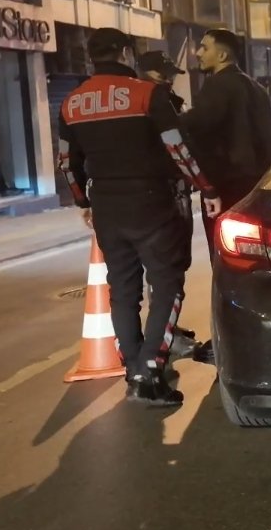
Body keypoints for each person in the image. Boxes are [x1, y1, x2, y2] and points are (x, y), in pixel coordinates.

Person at [57, 28, 223, 406]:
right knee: (167, 285)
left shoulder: (72, 103)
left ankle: (134, 371)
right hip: (151, 203)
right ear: (126, 53)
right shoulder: (146, 94)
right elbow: (177, 148)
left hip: (106, 205)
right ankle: (150, 372)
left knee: (123, 290)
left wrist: (83, 201)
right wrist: (207, 188)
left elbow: (66, 161)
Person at [182, 28, 271, 254]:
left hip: (225, 189)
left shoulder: (217, 86)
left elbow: (197, 129)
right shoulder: (258, 89)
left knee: (224, 253)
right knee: (255, 253)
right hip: (257, 187)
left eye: (204, 48)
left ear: (222, 55)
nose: (198, 53)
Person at [135, 48, 203, 361]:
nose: (169, 79)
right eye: (164, 74)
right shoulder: (153, 102)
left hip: (164, 192)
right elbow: (176, 146)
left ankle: (165, 328)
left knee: (167, 268)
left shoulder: (162, 100)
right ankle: (164, 337)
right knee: (168, 269)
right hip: (165, 193)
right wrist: (205, 184)